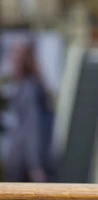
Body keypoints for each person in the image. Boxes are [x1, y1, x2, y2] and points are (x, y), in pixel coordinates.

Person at [2, 40, 51, 182]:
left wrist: (34, 165)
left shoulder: (28, 89)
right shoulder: (20, 86)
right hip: (19, 159)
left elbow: (32, 127)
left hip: (22, 161)